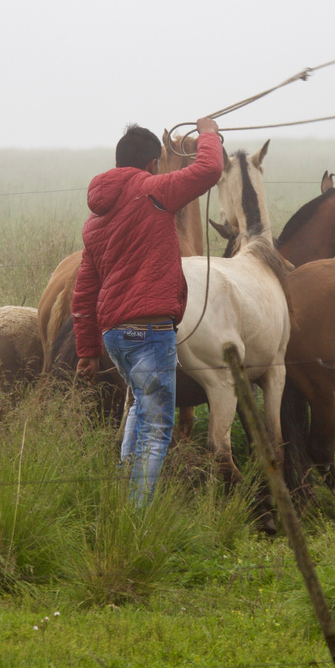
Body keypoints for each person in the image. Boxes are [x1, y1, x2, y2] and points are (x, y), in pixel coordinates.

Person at [73, 117, 223, 503]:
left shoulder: (95, 219)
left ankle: (126, 499)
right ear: (153, 164)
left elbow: (85, 290)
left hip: (113, 337)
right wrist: (208, 133)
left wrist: (88, 352)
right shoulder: (155, 191)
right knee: (157, 429)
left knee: (140, 412)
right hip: (150, 331)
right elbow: (208, 169)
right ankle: (137, 517)